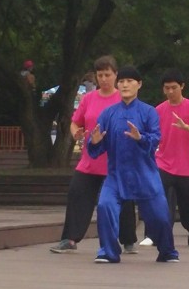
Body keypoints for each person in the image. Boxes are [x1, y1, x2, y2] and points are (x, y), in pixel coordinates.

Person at [87, 65, 180, 263]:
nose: (124, 85)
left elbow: (155, 139)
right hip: (116, 174)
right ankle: (108, 252)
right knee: (105, 205)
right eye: (121, 81)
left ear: (139, 85)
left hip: (144, 174)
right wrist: (94, 142)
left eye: (129, 81)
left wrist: (140, 138)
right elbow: (96, 147)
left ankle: (167, 251)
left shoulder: (149, 112)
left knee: (160, 216)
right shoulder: (108, 114)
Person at [50, 56, 138, 255]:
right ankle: (70, 239)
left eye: (108, 74)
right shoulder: (88, 98)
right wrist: (75, 133)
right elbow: (75, 122)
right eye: (100, 75)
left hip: (116, 161)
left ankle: (128, 240)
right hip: (90, 160)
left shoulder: (124, 100)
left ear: (116, 75)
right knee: (77, 193)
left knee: (124, 199)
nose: (104, 79)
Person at [148, 68, 189, 246]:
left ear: (182, 86)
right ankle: (153, 234)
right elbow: (152, 134)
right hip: (163, 162)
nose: (170, 92)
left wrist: (186, 127)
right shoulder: (158, 110)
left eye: (173, 87)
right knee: (156, 195)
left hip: (187, 166)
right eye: (166, 88)